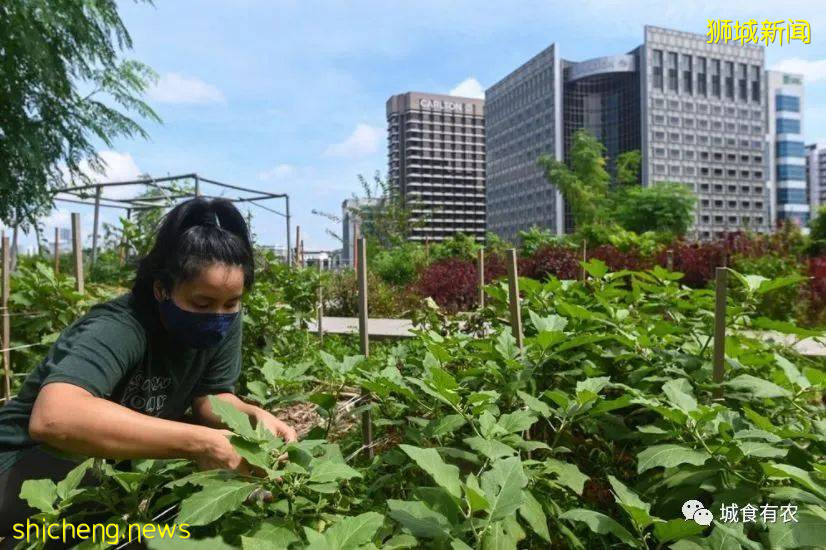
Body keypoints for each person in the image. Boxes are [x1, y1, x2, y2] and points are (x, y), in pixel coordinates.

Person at [0, 198, 297, 537]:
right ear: (161, 289)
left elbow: (211, 397)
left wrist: (252, 417)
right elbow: (55, 417)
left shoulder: (223, 321)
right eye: (202, 302)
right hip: (25, 463)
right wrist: (202, 443)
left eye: (232, 303)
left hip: (108, 463)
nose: (219, 316)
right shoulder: (122, 327)